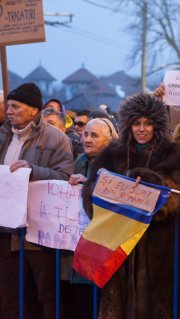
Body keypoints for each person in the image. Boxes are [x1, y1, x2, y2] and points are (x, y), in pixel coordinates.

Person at [82, 93, 180, 319]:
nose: (142, 129)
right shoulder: (112, 153)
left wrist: (152, 182)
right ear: (128, 125)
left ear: (157, 126)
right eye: (136, 123)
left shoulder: (173, 154)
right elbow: (91, 195)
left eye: (148, 123)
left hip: (159, 249)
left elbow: (178, 199)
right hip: (119, 246)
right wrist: (112, 190)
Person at [0, 83, 74, 318]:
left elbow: (66, 177)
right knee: (9, 294)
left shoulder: (56, 139)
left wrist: (33, 170)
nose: (9, 111)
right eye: (8, 106)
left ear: (33, 110)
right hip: (5, 230)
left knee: (46, 295)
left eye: (15, 106)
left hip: (38, 232)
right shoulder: (2, 134)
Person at [62, 118, 118, 319]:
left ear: (109, 139)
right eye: (85, 134)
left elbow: (117, 198)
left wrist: (90, 186)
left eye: (94, 135)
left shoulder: (116, 162)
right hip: (81, 242)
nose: (87, 139)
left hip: (104, 246)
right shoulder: (81, 161)